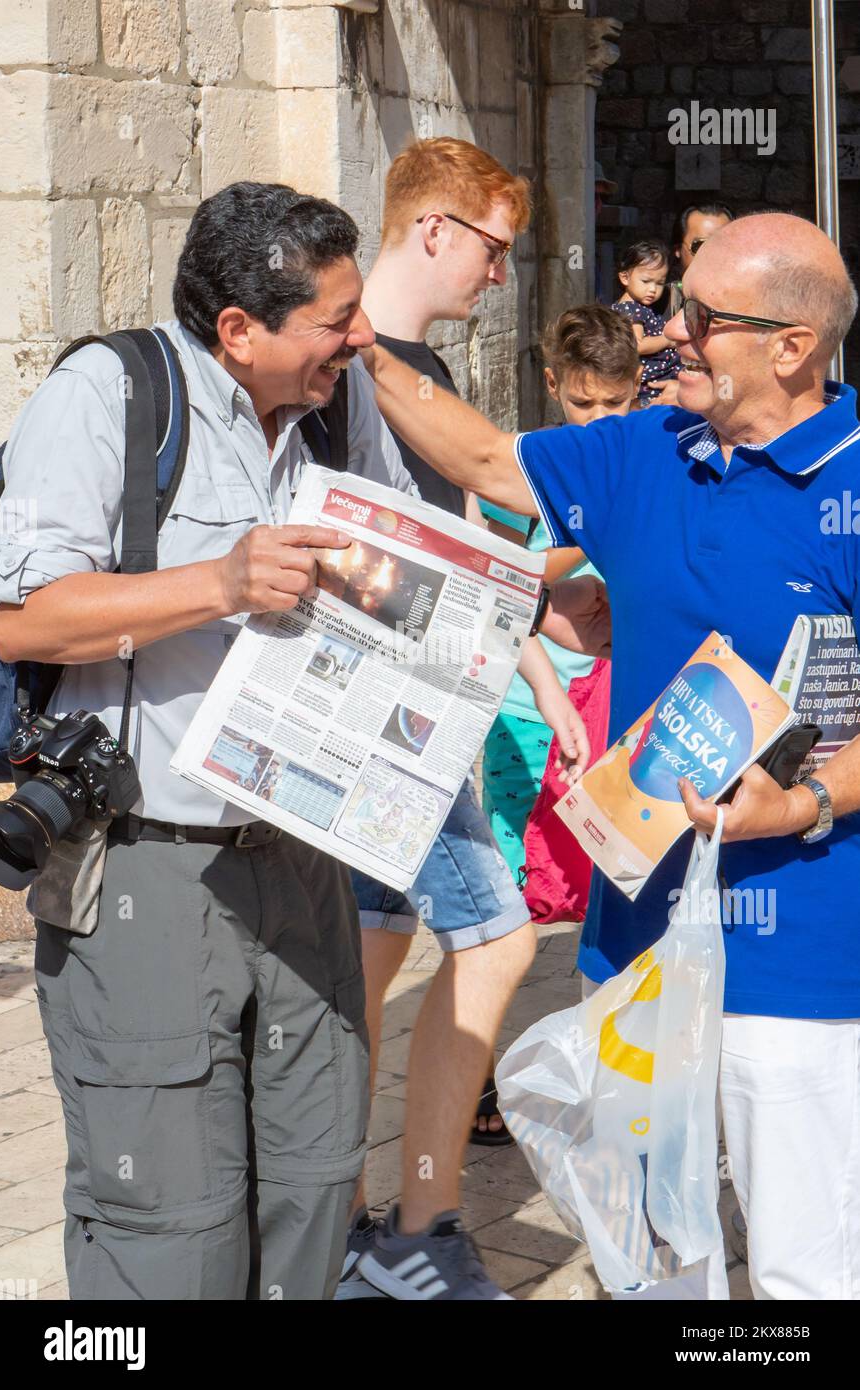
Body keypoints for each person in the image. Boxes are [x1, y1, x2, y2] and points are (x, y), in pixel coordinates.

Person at [362, 211, 860, 1300]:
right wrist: (356, 335)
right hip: (633, 950)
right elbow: (487, 458)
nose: (663, 336)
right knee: (645, 1264)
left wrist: (807, 798)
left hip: (802, 957)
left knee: (798, 1271)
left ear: (790, 347)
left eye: (699, 318)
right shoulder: (647, 444)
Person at [0, 181, 424, 1301]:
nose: (361, 336)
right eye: (335, 319)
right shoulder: (110, 396)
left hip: (303, 857)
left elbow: (391, 570)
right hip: (145, 860)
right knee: (168, 1224)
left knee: (312, 1181)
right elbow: (20, 617)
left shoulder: (341, 402)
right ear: (239, 329)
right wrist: (220, 582)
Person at [336, 137, 590, 1301]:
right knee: (488, 938)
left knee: (369, 958)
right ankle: (412, 1220)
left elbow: (468, 554)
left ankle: (356, 1221)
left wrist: (537, 677)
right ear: (433, 229)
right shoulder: (349, 365)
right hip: (371, 717)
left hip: (413, 714)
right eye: (492, 247)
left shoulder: (411, 368)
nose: (500, 274)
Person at [480, 304, 639, 883]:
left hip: (618, 703)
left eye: (614, 404)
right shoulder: (524, 468)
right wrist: (588, 530)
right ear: (553, 384)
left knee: (609, 881)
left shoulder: (647, 459)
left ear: (636, 385)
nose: (598, 420)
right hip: (527, 712)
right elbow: (490, 574)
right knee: (521, 882)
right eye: (583, 403)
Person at [611, 239, 680, 406]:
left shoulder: (639, 307)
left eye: (659, 283)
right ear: (625, 277)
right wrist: (667, 340)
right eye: (646, 281)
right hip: (651, 387)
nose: (653, 289)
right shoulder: (630, 310)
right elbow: (637, 345)